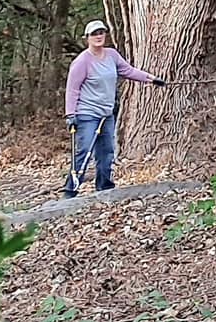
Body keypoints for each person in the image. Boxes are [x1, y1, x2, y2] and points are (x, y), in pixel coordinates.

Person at [63, 20, 165, 197]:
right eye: (94, 34)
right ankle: (71, 190)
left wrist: (151, 79)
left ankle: (105, 187)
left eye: (101, 32)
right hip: (87, 114)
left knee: (107, 152)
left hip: (107, 114)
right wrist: (70, 115)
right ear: (87, 38)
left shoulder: (111, 55)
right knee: (85, 151)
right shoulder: (82, 61)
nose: (98, 36)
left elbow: (128, 71)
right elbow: (72, 89)